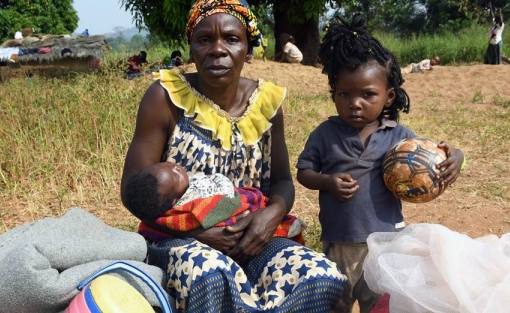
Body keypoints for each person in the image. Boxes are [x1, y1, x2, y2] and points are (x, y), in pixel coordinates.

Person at [120, 0, 347, 312]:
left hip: (252, 235)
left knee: (320, 275)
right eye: (204, 40)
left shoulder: (267, 103)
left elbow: (282, 181)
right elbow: (134, 192)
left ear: (248, 50)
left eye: (231, 39)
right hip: (177, 239)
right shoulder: (164, 97)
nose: (217, 49)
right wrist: (200, 233)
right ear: (191, 50)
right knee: (210, 274)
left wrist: (271, 215)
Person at [295, 14, 465, 313]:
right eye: (344, 94)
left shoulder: (399, 137)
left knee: (382, 304)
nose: (355, 102)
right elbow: (304, 172)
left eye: (367, 95)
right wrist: (327, 182)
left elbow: (433, 154)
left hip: (387, 244)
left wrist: (457, 158)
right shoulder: (325, 134)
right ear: (334, 94)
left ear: (388, 97)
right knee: (337, 303)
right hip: (340, 242)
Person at [124, 162, 306, 243]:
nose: (176, 167)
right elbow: (225, 205)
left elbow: (284, 179)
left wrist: (274, 211)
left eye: (168, 164)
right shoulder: (190, 203)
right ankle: (286, 227)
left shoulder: (184, 187)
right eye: (174, 175)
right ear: (173, 200)